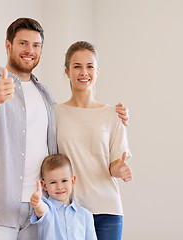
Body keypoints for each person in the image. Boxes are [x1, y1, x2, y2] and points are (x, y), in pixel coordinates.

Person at [0, 18, 129, 240]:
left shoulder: (45, 95)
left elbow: (53, 144)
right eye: (23, 43)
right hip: (1, 204)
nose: (30, 50)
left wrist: (118, 114)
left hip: (42, 207)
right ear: (8, 45)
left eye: (36, 45)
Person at [54, 41, 133, 240]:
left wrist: (120, 169)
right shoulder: (54, 113)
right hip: (68, 209)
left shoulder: (113, 115)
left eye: (90, 66)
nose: (84, 72)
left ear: (97, 71)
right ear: (67, 71)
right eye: (77, 66)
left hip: (107, 210)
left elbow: (113, 165)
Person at [29, 154, 97, 240]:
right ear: (44, 185)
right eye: (53, 182)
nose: (59, 187)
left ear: (72, 181)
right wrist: (37, 203)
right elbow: (41, 210)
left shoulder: (85, 215)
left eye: (64, 180)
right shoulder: (48, 209)